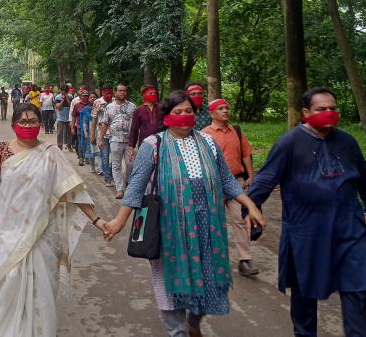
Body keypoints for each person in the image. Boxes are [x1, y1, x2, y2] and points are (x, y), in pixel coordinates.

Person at [103, 91, 266, 337]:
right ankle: (177, 331)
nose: (183, 116)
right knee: (169, 285)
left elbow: (226, 181)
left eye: (188, 112)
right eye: (177, 112)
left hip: (207, 226)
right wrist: (119, 220)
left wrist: (250, 205)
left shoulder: (209, 143)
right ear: (166, 116)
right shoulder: (153, 145)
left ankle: (194, 323)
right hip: (169, 229)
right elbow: (136, 187)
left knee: (208, 279)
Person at [0, 104, 105, 337]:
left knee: (41, 290)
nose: (28, 125)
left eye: (33, 121)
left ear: (40, 125)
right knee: (10, 284)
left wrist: (98, 220)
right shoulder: (2, 151)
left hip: (41, 233)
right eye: (23, 121)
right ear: (14, 125)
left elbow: (71, 191)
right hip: (7, 232)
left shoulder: (51, 153)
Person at [246, 88, 366, 337]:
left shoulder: (347, 141)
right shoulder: (288, 143)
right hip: (306, 232)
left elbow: (365, 177)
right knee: (305, 291)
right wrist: (252, 210)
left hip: (349, 230)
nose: (329, 113)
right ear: (306, 112)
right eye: (322, 109)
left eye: (333, 108)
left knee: (356, 288)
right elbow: (265, 180)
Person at [200, 98, 258, 277]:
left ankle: (245, 260)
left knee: (240, 219)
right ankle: (209, 259)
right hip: (213, 184)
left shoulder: (236, 131)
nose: (225, 111)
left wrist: (251, 175)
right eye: (220, 108)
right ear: (211, 113)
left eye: (226, 108)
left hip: (236, 182)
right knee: (212, 221)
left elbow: (246, 153)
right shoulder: (204, 134)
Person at [99, 83, 137, 199]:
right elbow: (105, 123)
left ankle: (128, 183)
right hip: (115, 140)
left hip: (130, 141)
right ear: (115, 92)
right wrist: (100, 139)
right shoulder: (109, 107)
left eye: (124, 91)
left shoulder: (132, 106)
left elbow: (137, 124)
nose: (122, 92)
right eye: (120, 91)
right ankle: (119, 189)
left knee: (131, 164)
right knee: (116, 165)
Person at [129, 86, 165, 161]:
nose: (154, 94)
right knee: (146, 166)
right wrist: (132, 148)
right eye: (151, 93)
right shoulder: (138, 111)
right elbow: (134, 130)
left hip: (161, 143)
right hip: (145, 144)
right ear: (144, 95)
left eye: (155, 93)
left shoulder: (162, 108)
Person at [92, 87, 113, 186]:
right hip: (102, 132)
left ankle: (112, 175)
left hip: (114, 133)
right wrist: (93, 135)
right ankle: (107, 178)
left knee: (114, 157)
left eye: (110, 93)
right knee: (105, 156)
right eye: (106, 93)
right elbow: (94, 119)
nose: (109, 95)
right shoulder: (97, 102)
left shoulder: (114, 101)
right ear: (102, 93)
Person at [77, 92, 96, 172]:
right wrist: (85, 132)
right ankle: (88, 163)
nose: (92, 99)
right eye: (91, 97)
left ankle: (100, 167)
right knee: (88, 147)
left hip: (98, 130)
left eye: (94, 97)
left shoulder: (101, 108)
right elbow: (84, 122)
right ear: (89, 99)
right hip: (88, 131)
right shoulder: (85, 109)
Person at [54, 84, 73, 151]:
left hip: (69, 118)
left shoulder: (70, 96)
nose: (63, 92)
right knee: (59, 133)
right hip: (60, 118)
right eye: (62, 91)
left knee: (69, 133)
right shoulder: (57, 97)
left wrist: (67, 99)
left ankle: (69, 145)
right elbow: (58, 107)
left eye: (65, 91)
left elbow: (72, 106)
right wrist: (63, 100)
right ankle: (59, 146)